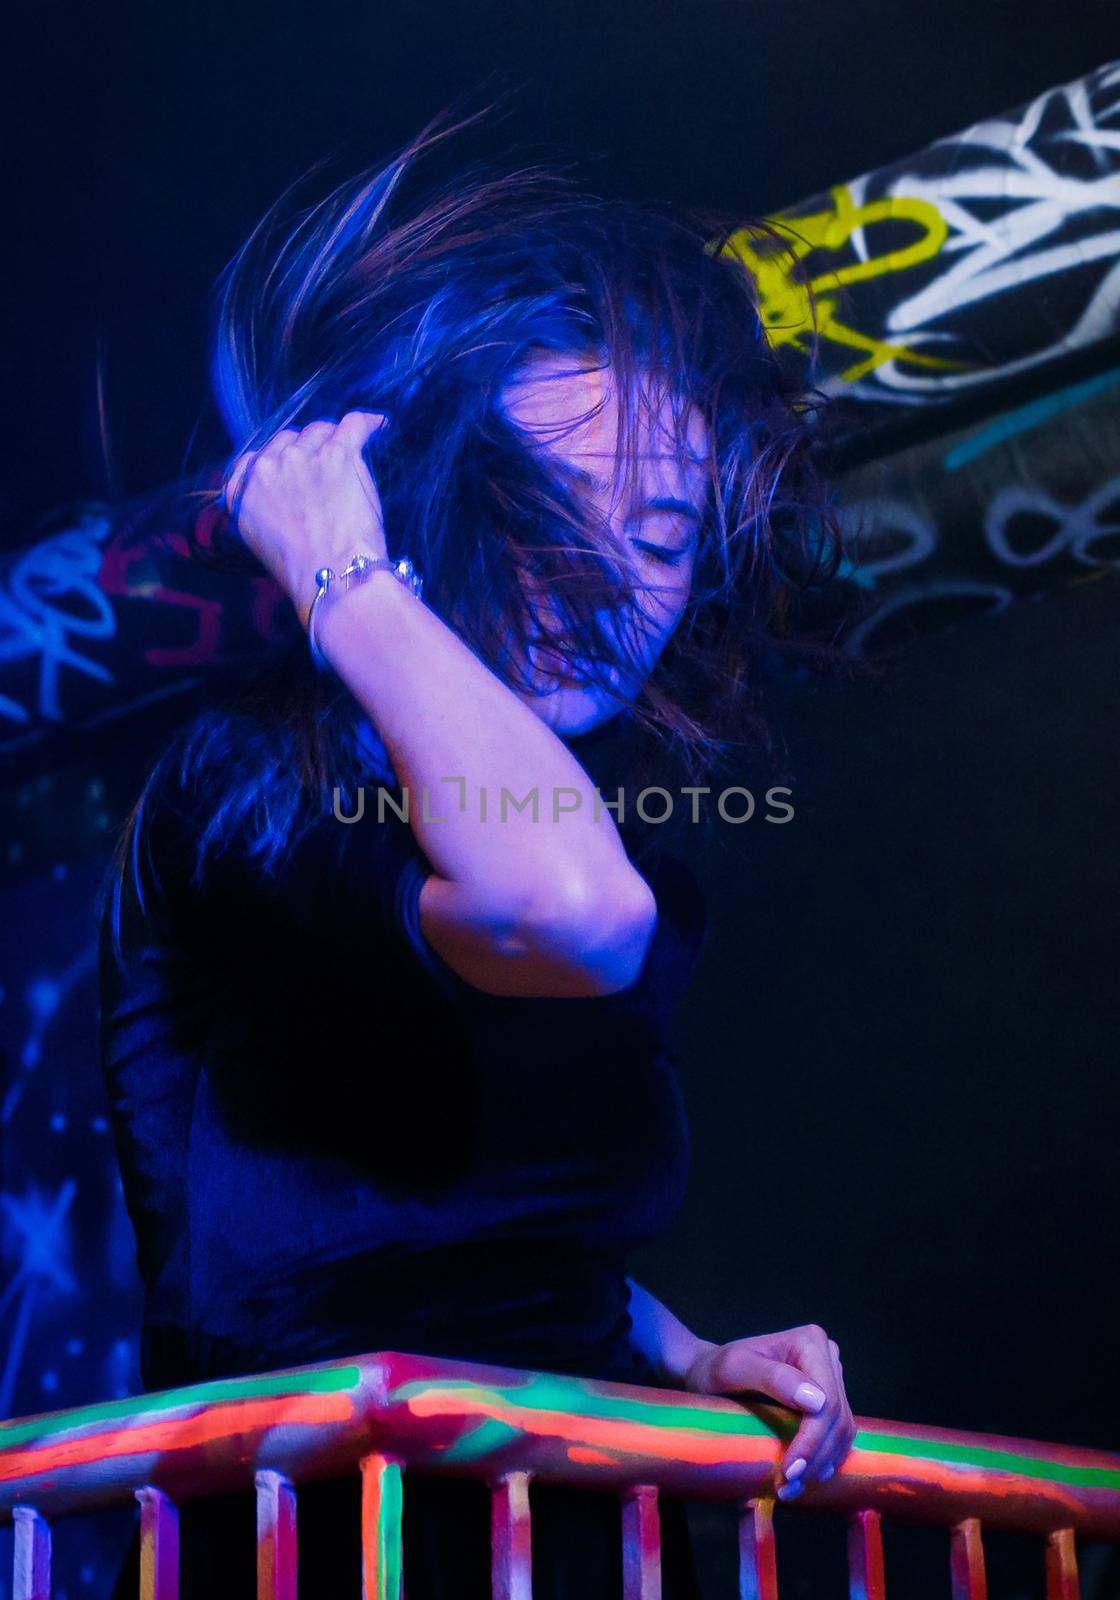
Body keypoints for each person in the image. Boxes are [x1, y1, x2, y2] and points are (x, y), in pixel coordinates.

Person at [99, 110, 855, 1598]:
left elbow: (467, 1232)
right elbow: (565, 911)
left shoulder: (583, 829)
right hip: (318, 1537)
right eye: (543, 502)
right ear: (438, 498)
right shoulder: (264, 783)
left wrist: (690, 1353)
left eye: (660, 530)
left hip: (572, 1523)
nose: (604, 580)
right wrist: (346, 577)